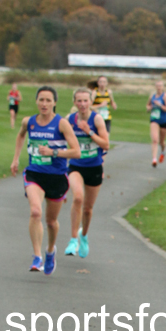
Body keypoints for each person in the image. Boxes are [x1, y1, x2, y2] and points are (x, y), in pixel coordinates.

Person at [10, 86, 81, 275]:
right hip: (34, 174)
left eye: (48, 100)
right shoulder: (29, 122)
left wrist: (54, 152)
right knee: (35, 212)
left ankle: (50, 251)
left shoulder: (62, 124)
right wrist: (16, 159)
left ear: (55, 103)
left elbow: (77, 151)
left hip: (57, 177)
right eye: (41, 100)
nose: (44, 104)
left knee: (51, 221)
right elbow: (20, 135)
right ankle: (37, 256)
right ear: (36, 101)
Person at [64, 88, 110, 259]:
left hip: (94, 166)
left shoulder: (97, 119)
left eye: (85, 100)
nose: (82, 104)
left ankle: (84, 236)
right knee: (77, 198)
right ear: (74, 102)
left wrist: (88, 132)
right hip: (76, 165)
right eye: (79, 101)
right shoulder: (69, 120)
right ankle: (73, 239)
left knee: (88, 209)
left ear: (91, 101)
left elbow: (106, 145)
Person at [147, 80, 166, 166]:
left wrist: (160, 105)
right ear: (155, 87)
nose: (159, 87)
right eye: (157, 86)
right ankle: (154, 159)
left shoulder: (165, 96)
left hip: (164, 121)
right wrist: (150, 108)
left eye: (160, 86)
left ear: (163, 87)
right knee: (155, 140)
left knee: (162, 142)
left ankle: (163, 151)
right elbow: (148, 106)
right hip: (154, 119)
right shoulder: (152, 96)